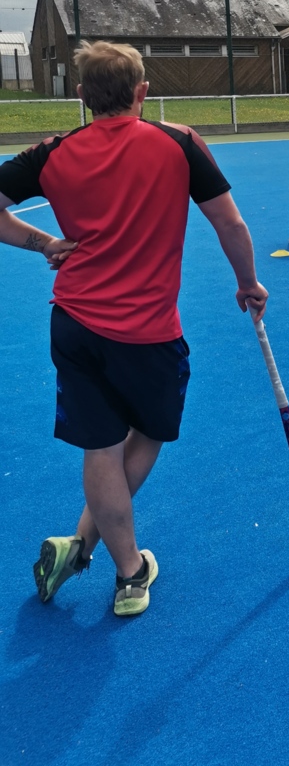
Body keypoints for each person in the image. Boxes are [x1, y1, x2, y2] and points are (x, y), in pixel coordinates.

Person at [0, 40, 267, 618]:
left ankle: (96, 556)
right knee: (146, 435)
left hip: (73, 322)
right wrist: (248, 283)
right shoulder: (179, 142)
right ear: (142, 93)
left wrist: (44, 242)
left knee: (100, 446)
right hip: (146, 331)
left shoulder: (53, 152)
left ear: (81, 97)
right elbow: (230, 223)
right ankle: (126, 573)